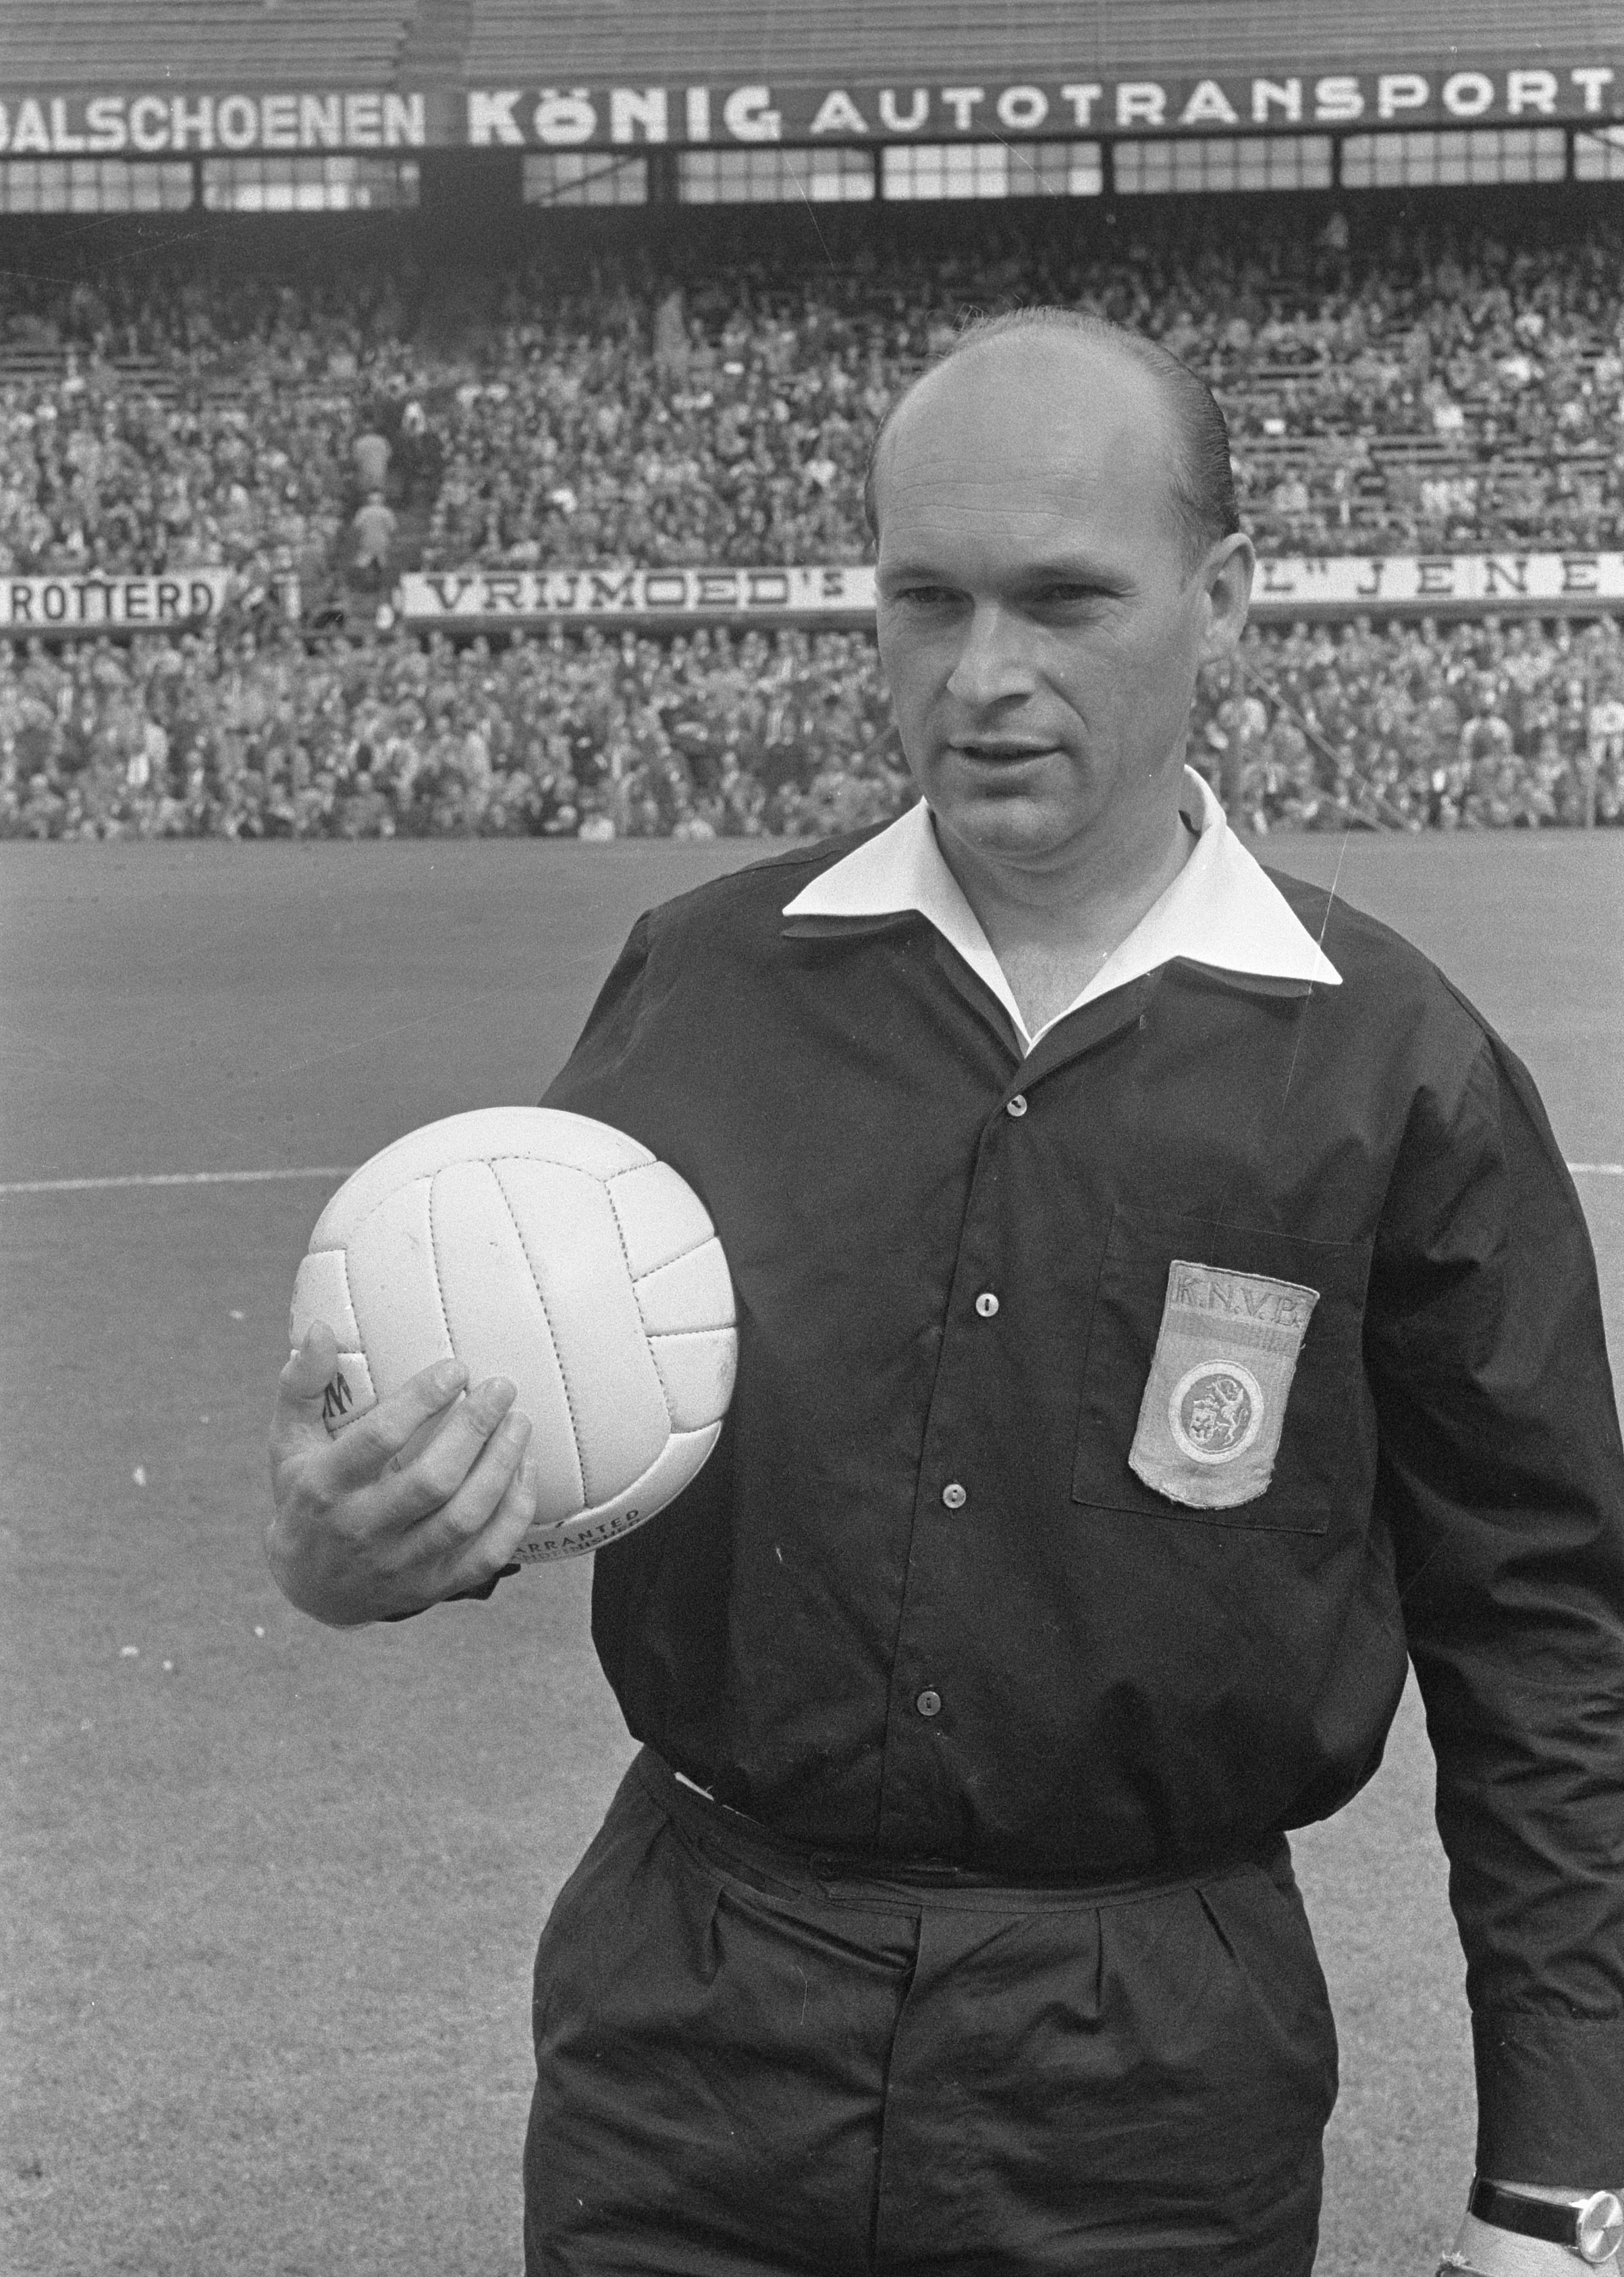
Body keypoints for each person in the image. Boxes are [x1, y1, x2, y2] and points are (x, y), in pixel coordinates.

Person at [267, 311, 1624, 2277]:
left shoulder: (1394, 1069)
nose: (983, 679)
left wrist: (1557, 2170)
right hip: (697, 2018)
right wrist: (348, 1541)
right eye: (928, 601)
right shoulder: (704, 987)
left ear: (1223, 601)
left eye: (1066, 601)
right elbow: (511, 1410)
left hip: (1153, 2058)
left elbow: (1550, 1643)